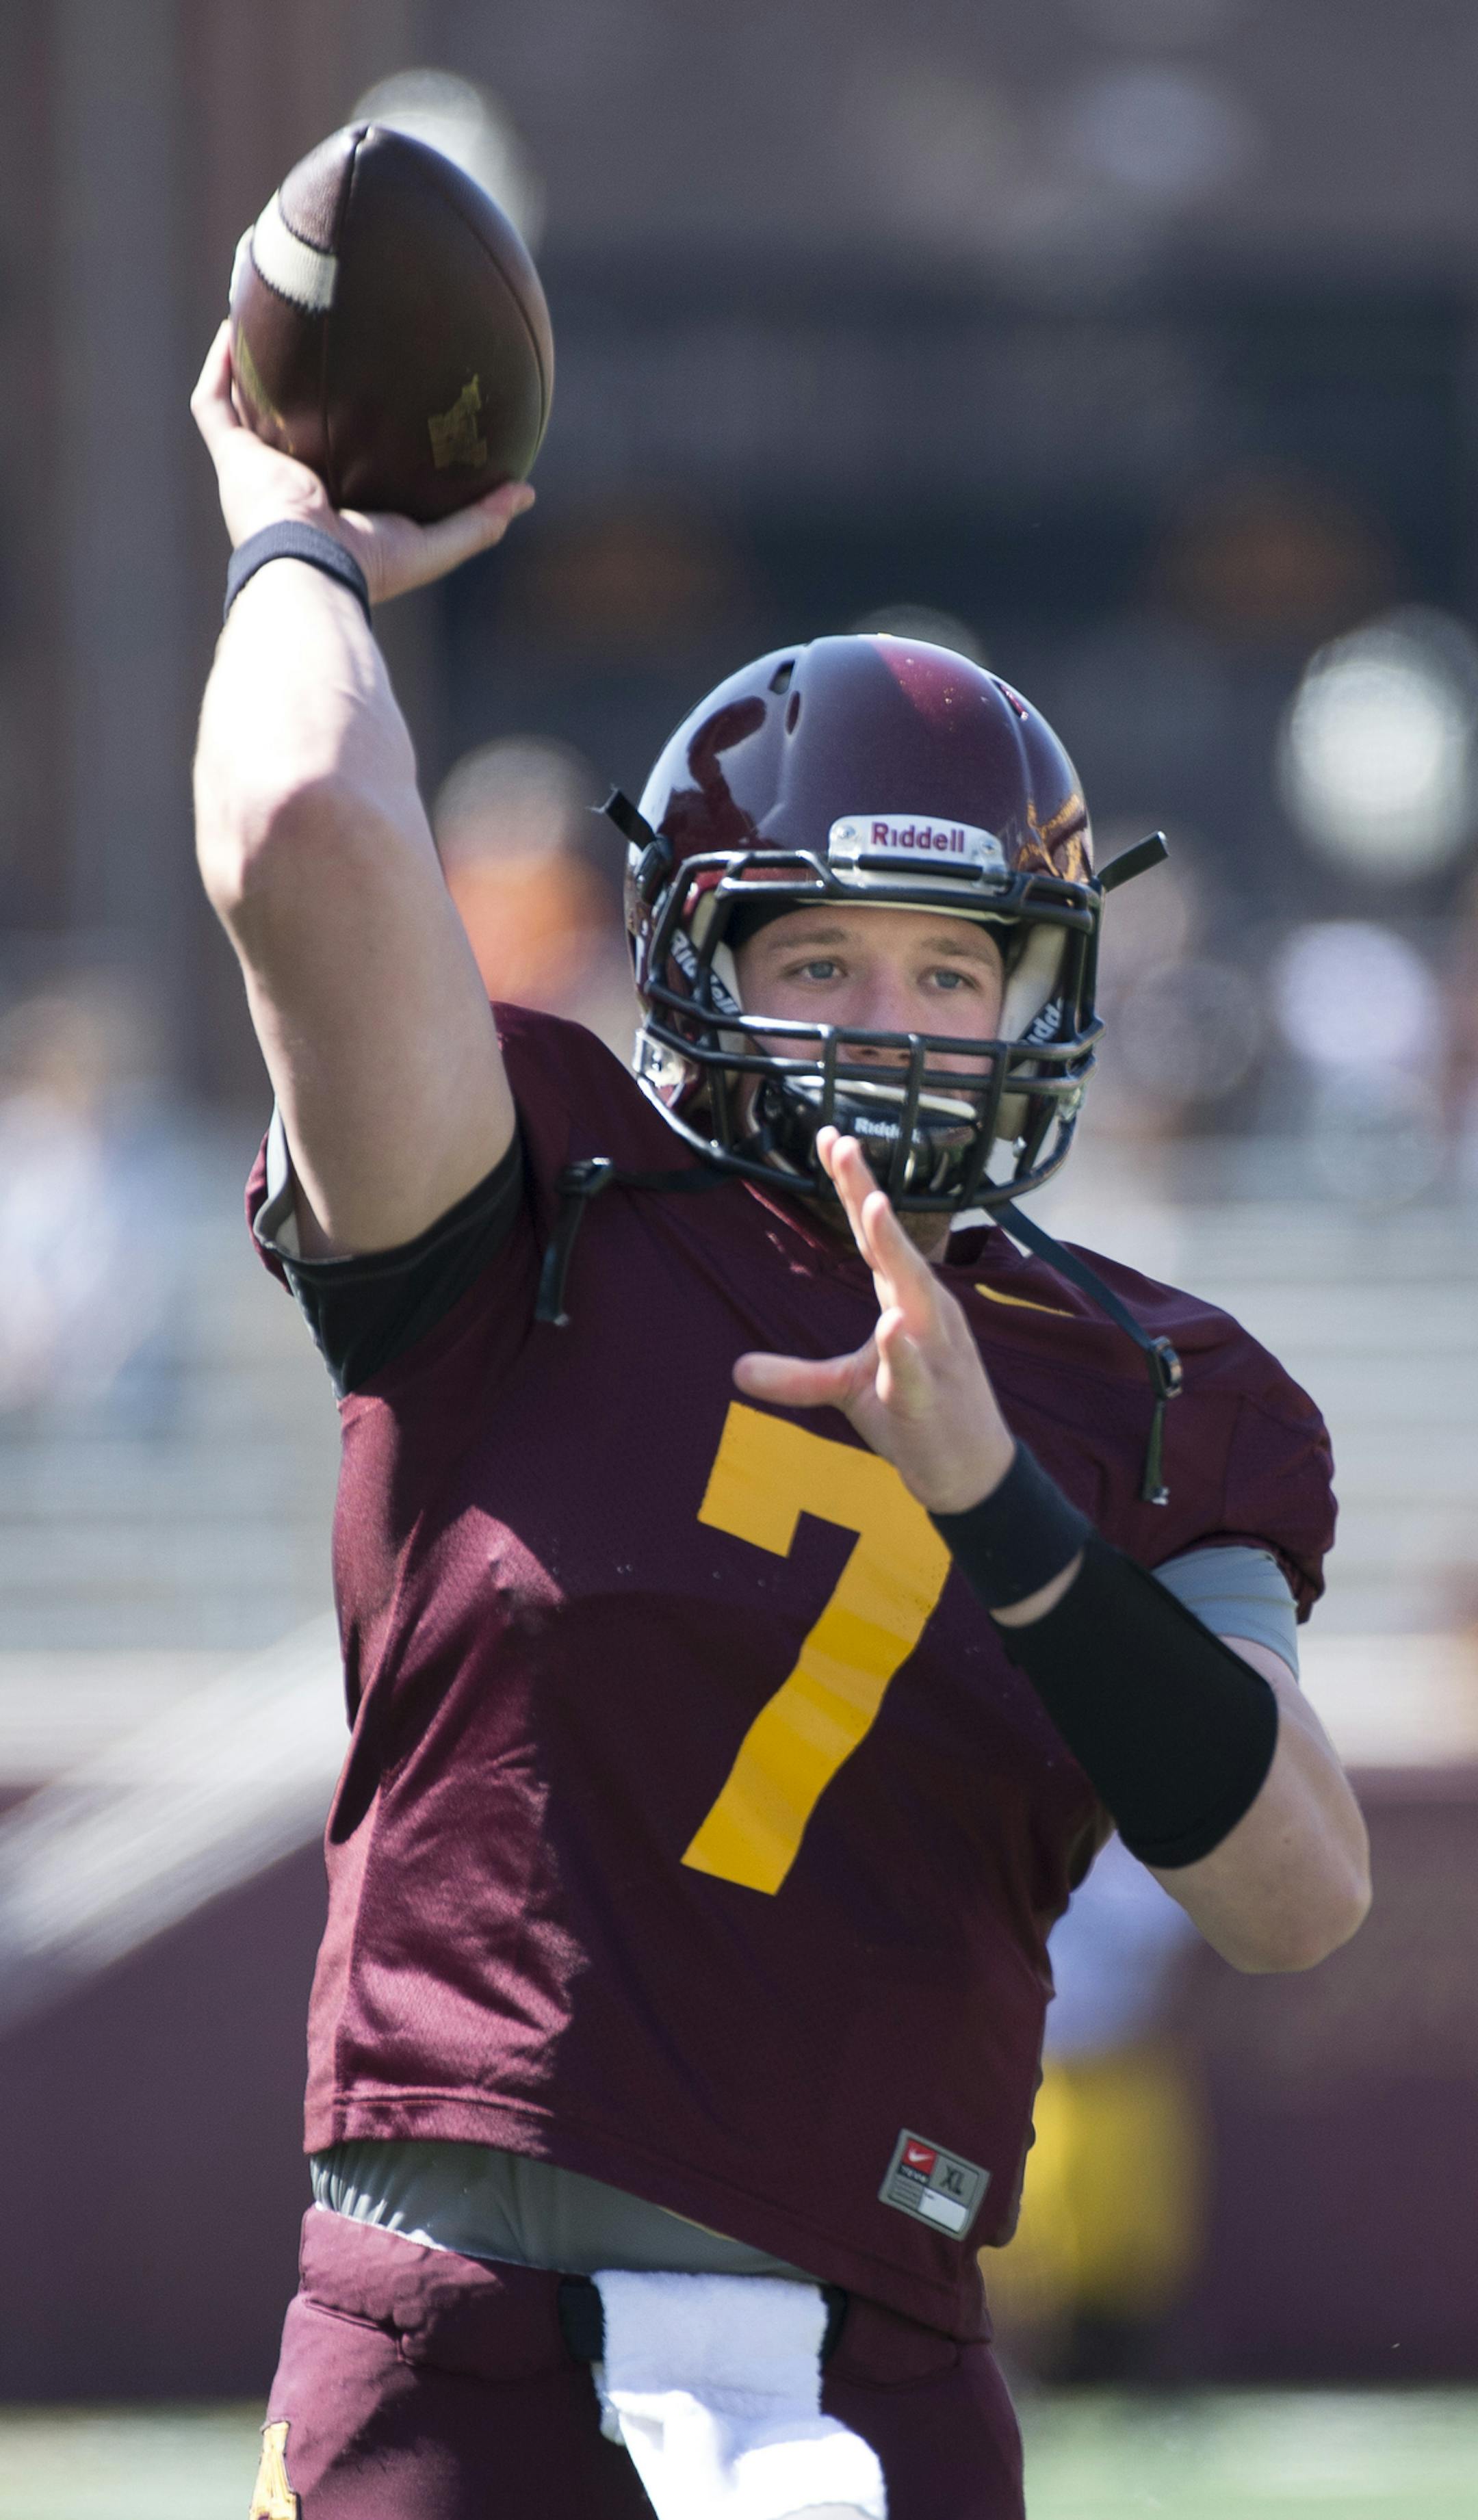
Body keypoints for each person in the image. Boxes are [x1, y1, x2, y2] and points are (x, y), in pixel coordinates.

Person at [192, 323, 1371, 2520]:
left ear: (1048, 993)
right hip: (449, 2355)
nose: (897, 1027)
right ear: (696, 961)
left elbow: (1296, 1890)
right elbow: (290, 833)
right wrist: (293, 546)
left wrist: (1004, 1512)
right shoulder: (534, 1196)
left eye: (956, 969)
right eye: (825, 953)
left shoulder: (1149, 1384)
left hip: (872, 2378)